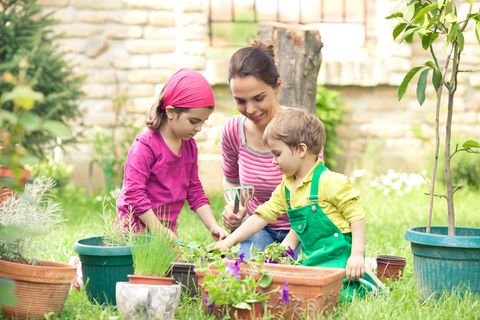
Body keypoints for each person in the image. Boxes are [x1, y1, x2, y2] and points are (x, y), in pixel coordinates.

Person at [216, 107, 380, 301]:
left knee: (337, 296)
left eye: (277, 154)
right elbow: (262, 217)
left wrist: (357, 255)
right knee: (295, 292)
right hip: (312, 258)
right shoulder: (286, 187)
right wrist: (228, 242)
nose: (273, 162)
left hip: (339, 257)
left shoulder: (330, 181)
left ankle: (366, 275)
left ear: (301, 149)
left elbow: (356, 217)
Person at [117, 68, 228, 241]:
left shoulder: (189, 146)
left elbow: (194, 190)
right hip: (135, 231)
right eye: (194, 121)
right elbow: (134, 194)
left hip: (166, 232)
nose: (198, 128)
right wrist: (158, 230)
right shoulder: (145, 147)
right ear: (170, 112)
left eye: (203, 122)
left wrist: (213, 225)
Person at [220, 40, 292, 258]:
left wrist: (284, 252)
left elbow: (315, 194)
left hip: (299, 230)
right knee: (249, 273)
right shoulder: (233, 131)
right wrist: (235, 209)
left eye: (259, 98)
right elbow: (232, 180)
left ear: (277, 87)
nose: (250, 109)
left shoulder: (299, 129)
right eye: (240, 101)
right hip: (257, 227)